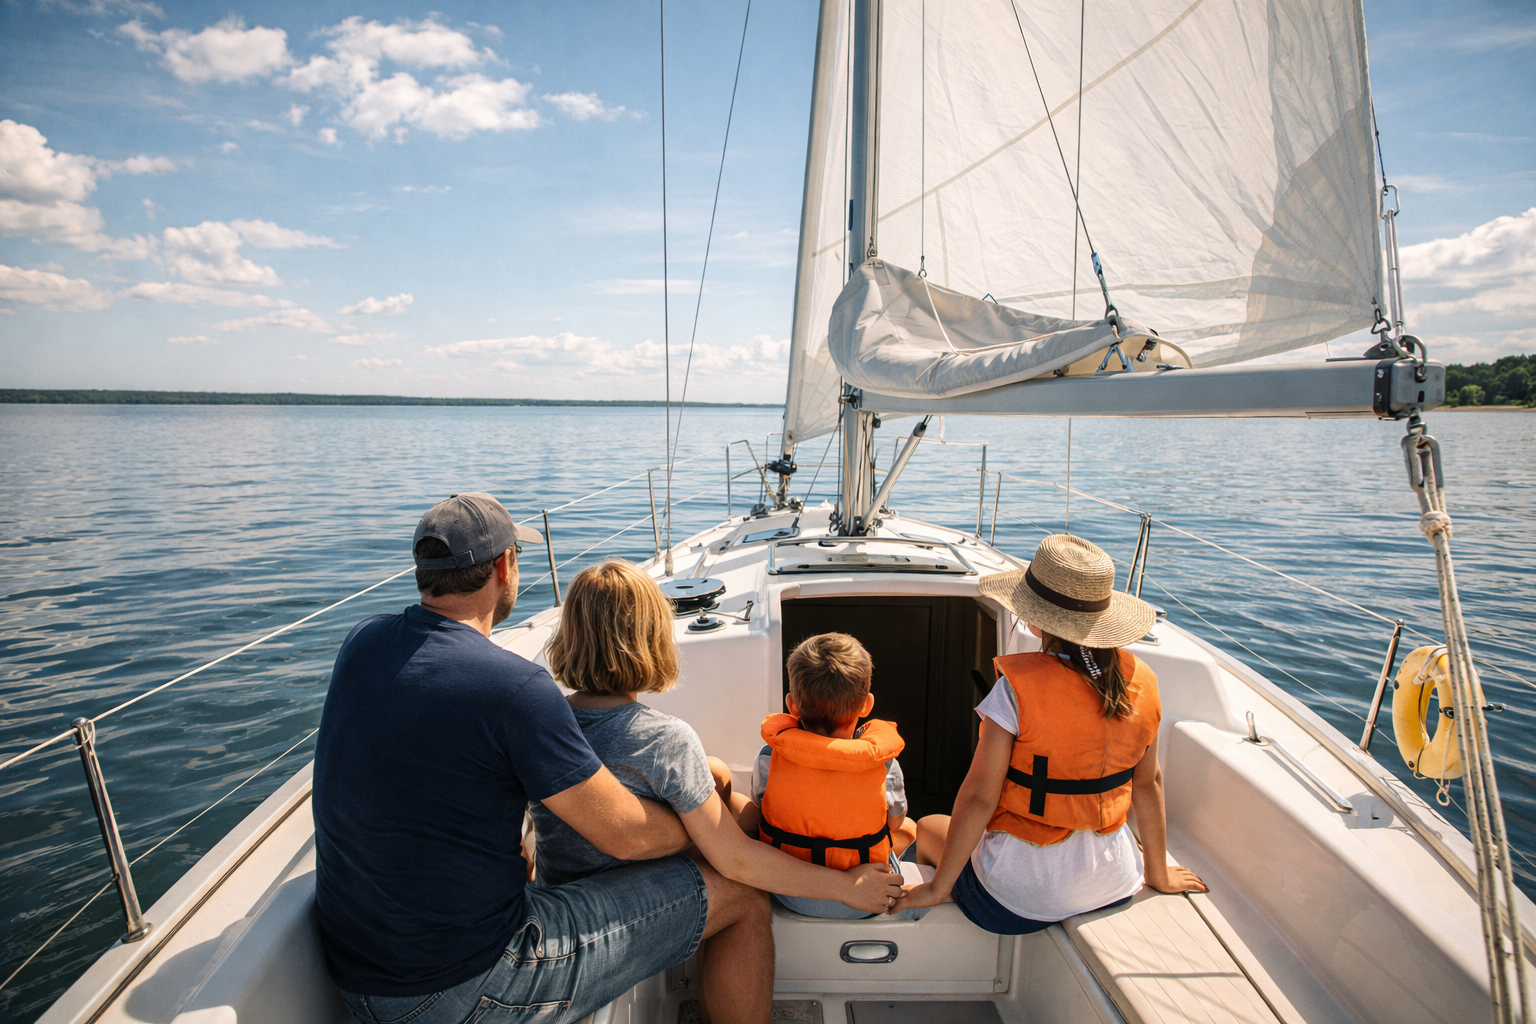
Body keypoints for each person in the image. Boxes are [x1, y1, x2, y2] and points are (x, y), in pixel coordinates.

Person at [313, 493, 771, 1024]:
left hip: (358, 979)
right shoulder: (513, 688)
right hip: (470, 985)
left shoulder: (363, 643)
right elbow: (624, 835)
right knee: (741, 893)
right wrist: (706, 822)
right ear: (506, 567)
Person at [528, 562, 903, 1017]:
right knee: (744, 893)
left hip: (557, 894)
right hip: (615, 906)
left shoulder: (541, 723)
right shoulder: (663, 739)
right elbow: (736, 860)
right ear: (651, 639)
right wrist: (845, 886)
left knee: (717, 774)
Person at [895, 533, 1206, 931]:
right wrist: (1157, 874)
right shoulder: (1142, 681)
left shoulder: (1016, 691)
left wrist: (938, 888)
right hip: (1114, 883)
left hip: (1018, 899)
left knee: (926, 827)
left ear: (1035, 618)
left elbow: (978, 798)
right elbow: (1149, 785)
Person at [740, 632, 927, 921]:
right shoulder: (883, 765)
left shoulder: (770, 756)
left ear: (792, 705)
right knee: (912, 829)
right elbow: (895, 821)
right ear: (867, 704)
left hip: (789, 892)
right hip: (867, 899)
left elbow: (762, 803)